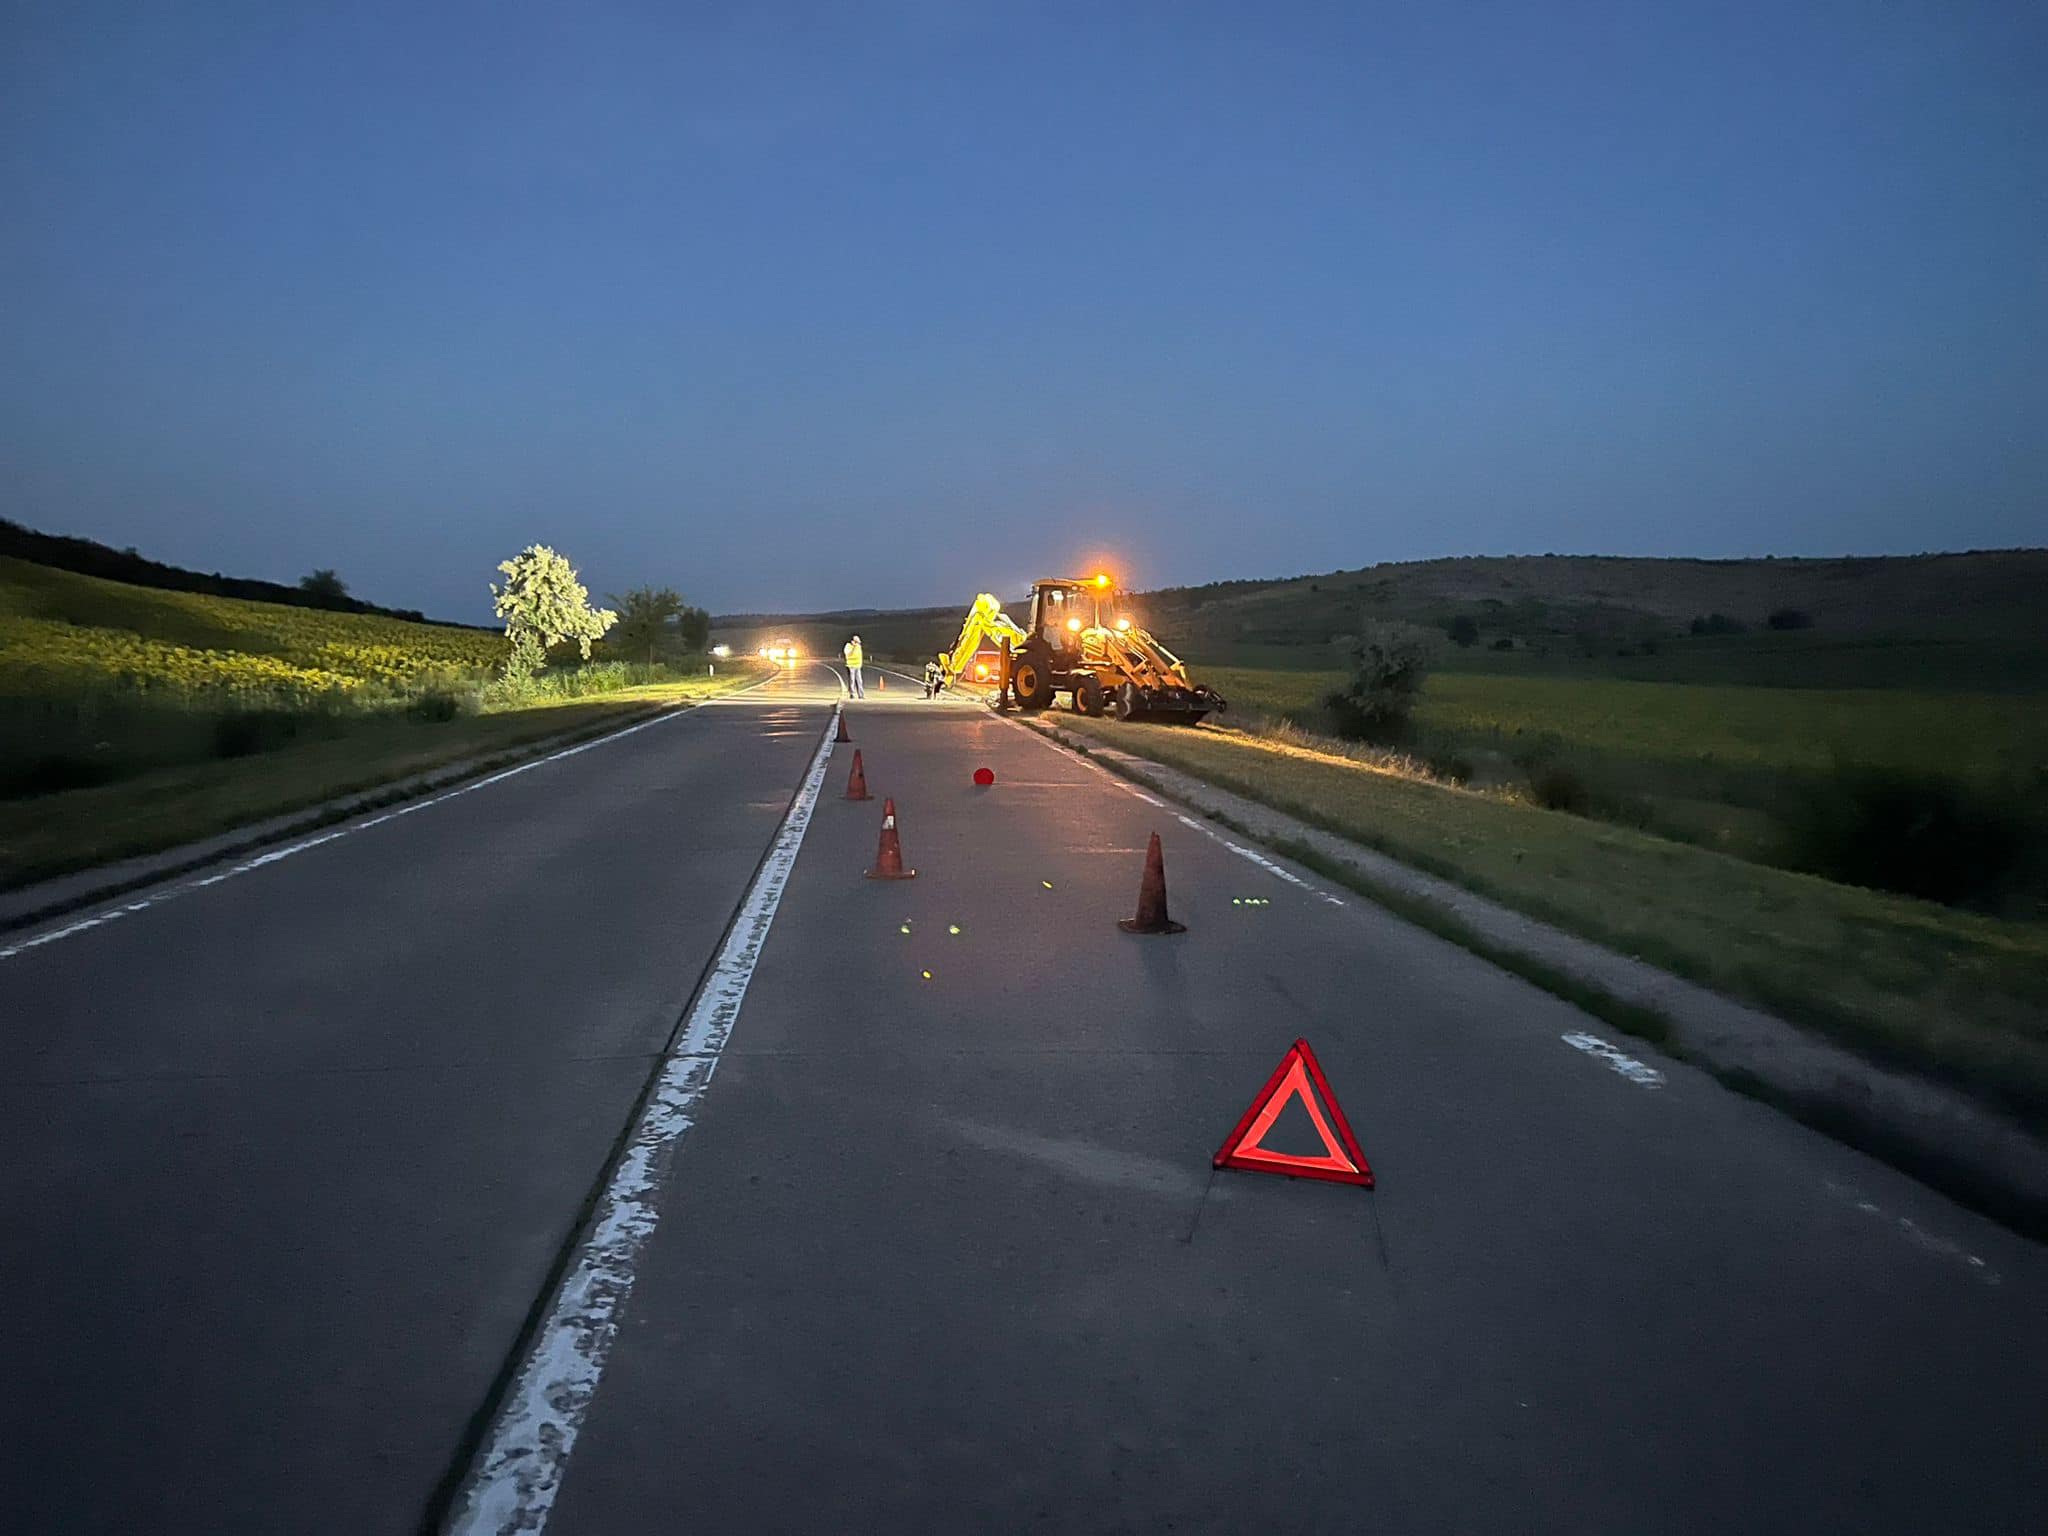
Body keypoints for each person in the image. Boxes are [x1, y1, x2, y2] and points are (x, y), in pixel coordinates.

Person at [842, 634, 865, 699]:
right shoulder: (848, 646)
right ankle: (852, 694)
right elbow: (848, 654)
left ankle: (861, 695)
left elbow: (860, 655)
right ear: (852, 641)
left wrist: (860, 664)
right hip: (851, 665)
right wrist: (853, 647)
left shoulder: (858, 646)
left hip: (858, 665)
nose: (857, 642)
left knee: (859, 680)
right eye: (856, 641)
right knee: (852, 680)